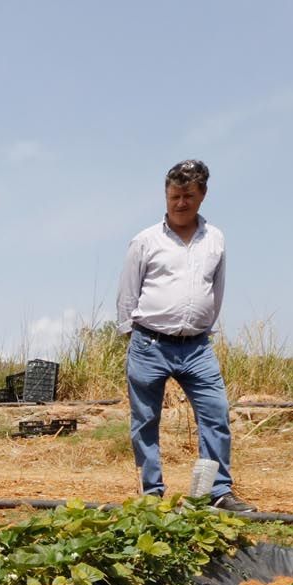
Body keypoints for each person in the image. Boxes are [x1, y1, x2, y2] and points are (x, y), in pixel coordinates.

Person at [115, 159, 253, 511]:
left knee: (216, 413)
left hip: (196, 347)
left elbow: (216, 290)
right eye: (174, 196)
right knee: (145, 420)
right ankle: (151, 494)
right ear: (165, 195)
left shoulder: (215, 239)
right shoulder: (145, 240)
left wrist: (204, 327)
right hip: (149, 343)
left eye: (188, 196)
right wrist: (130, 335)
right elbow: (127, 294)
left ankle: (215, 491)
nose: (180, 203)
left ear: (202, 195)